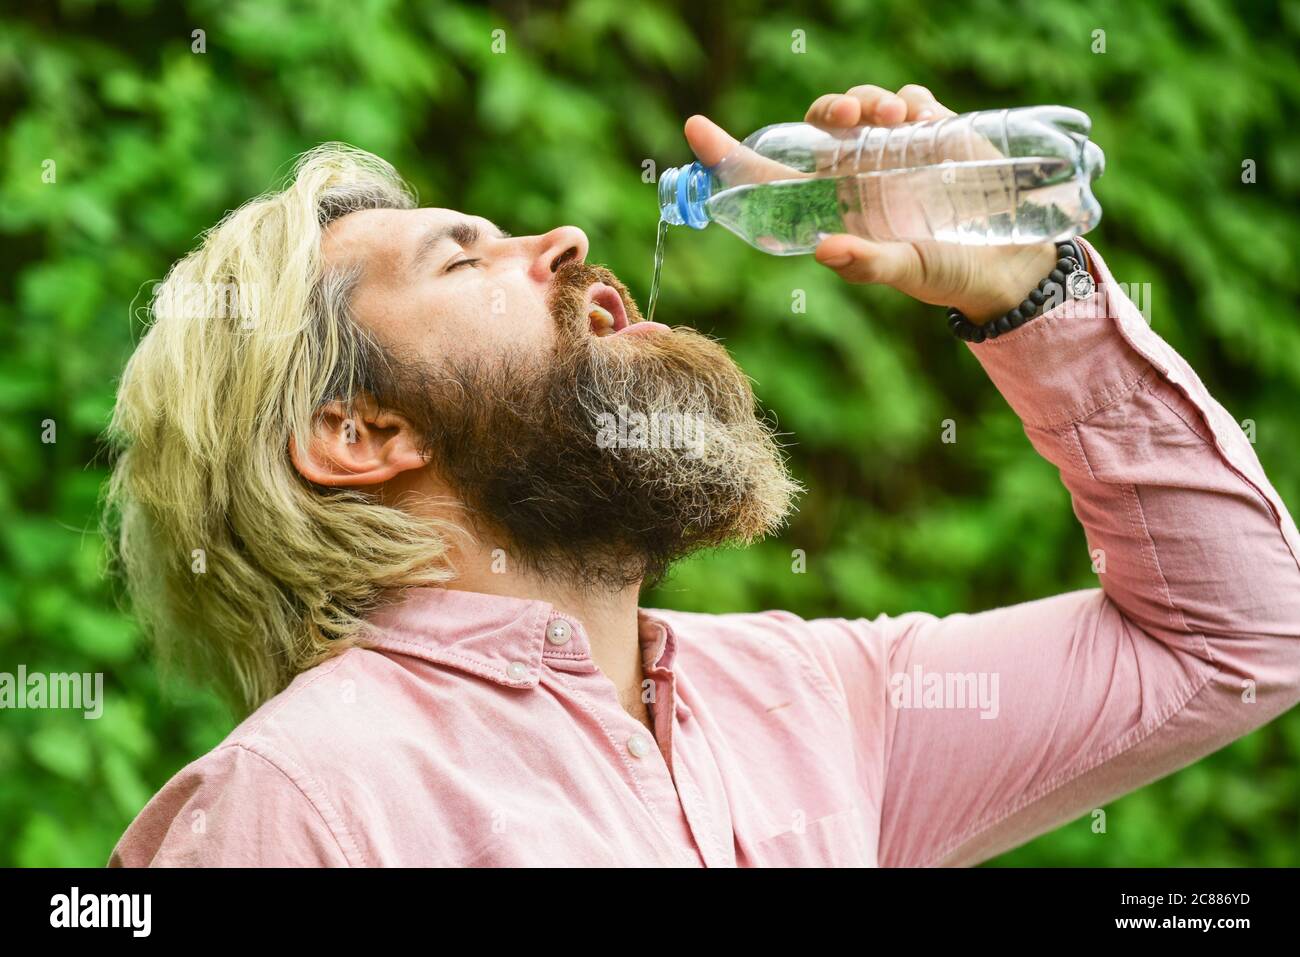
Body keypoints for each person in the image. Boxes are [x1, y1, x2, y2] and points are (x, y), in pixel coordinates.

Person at [106, 83, 1300, 867]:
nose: (567, 241)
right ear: (359, 434)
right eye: (463, 257)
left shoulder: (810, 699)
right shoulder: (291, 811)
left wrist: (1027, 296)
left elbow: (1234, 640)